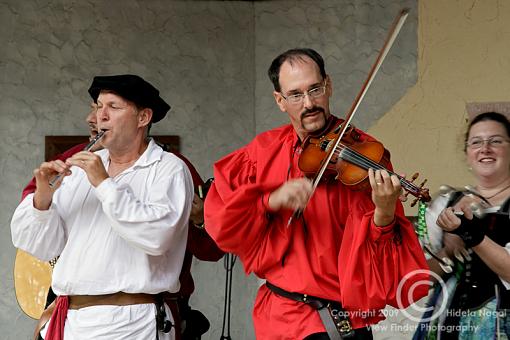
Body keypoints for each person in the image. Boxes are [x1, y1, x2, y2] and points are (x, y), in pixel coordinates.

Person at [204, 48, 429, 339]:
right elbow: (221, 223)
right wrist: (269, 201)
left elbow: (377, 256)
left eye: (315, 89)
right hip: (278, 317)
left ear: (329, 86)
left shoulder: (363, 153)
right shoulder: (262, 151)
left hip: (335, 321)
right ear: (280, 101)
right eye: (295, 95)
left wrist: (385, 211)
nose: (309, 103)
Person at [19, 100, 223, 340]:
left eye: (112, 108)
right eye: (96, 107)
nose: (93, 117)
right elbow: (34, 226)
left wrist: (201, 220)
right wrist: (43, 196)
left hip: (142, 317)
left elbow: (211, 246)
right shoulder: (71, 162)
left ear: (142, 118)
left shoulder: (172, 168)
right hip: (74, 317)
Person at [414, 111, 510, 339]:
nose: (485, 148)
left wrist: (471, 235)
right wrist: (447, 251)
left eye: (496, 141)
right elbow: (418, 281)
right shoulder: (445, 203)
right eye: (476, 142)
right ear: (467, 153)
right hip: (446, 323)